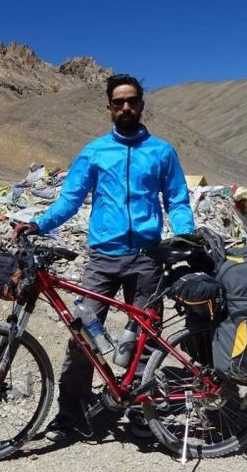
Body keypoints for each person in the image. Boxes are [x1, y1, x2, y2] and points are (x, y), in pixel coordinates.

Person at [14, 73, 196, 442]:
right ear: (109, 108)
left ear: (142, 105)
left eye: (132, 101)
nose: (126, 107)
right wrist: (38, 224)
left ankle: (144, 413)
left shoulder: (162, 152)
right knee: (83, 336)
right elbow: (69, 200)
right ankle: (72, 415)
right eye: (119, 102)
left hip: (147, 259)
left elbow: (176, 200)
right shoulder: (94, 152)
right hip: (102, 258)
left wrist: (186, 236)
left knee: (145, 337)